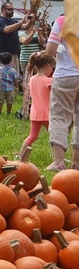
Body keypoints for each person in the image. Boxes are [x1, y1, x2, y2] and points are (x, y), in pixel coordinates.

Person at [43, 13, 79, 171]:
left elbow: (50, 50)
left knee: (59, 117)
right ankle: (76, 162)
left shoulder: (62, 21)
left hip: (65, 75)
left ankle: (59, 162)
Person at [18, 52, 56, 160]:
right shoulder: (49, 81)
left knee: (32, 136)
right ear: (48, 66)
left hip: (35, 114)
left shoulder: (32, 79)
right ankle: (57, 157)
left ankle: (21, 155)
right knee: (54, 137)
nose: (52, 71)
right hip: (47, 114)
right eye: (52, 68)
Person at [17, 17, 48, 119]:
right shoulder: (21, 33)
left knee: (38, 79)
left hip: (37, 60)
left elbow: (42, 43)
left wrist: (39, 33)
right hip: (26, 60)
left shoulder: (35, 32)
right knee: (27, 81)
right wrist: (32, 33)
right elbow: (25, 42)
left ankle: (37, 99)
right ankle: (27, 101)